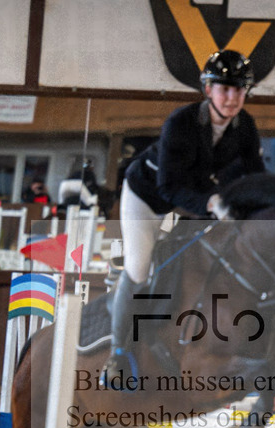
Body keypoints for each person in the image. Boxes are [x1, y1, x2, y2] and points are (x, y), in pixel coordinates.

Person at [105, 49, 264, 378]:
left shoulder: (245, 126)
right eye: (224, 88)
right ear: (208, 90)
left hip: (194, 199)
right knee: (139, 267)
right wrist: (212, 204)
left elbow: (255, 177)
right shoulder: (181, 122)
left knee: (200, 258)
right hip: (147, 196)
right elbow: (169, 187)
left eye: (239, 89)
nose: (232, 97)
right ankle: (117, 352)